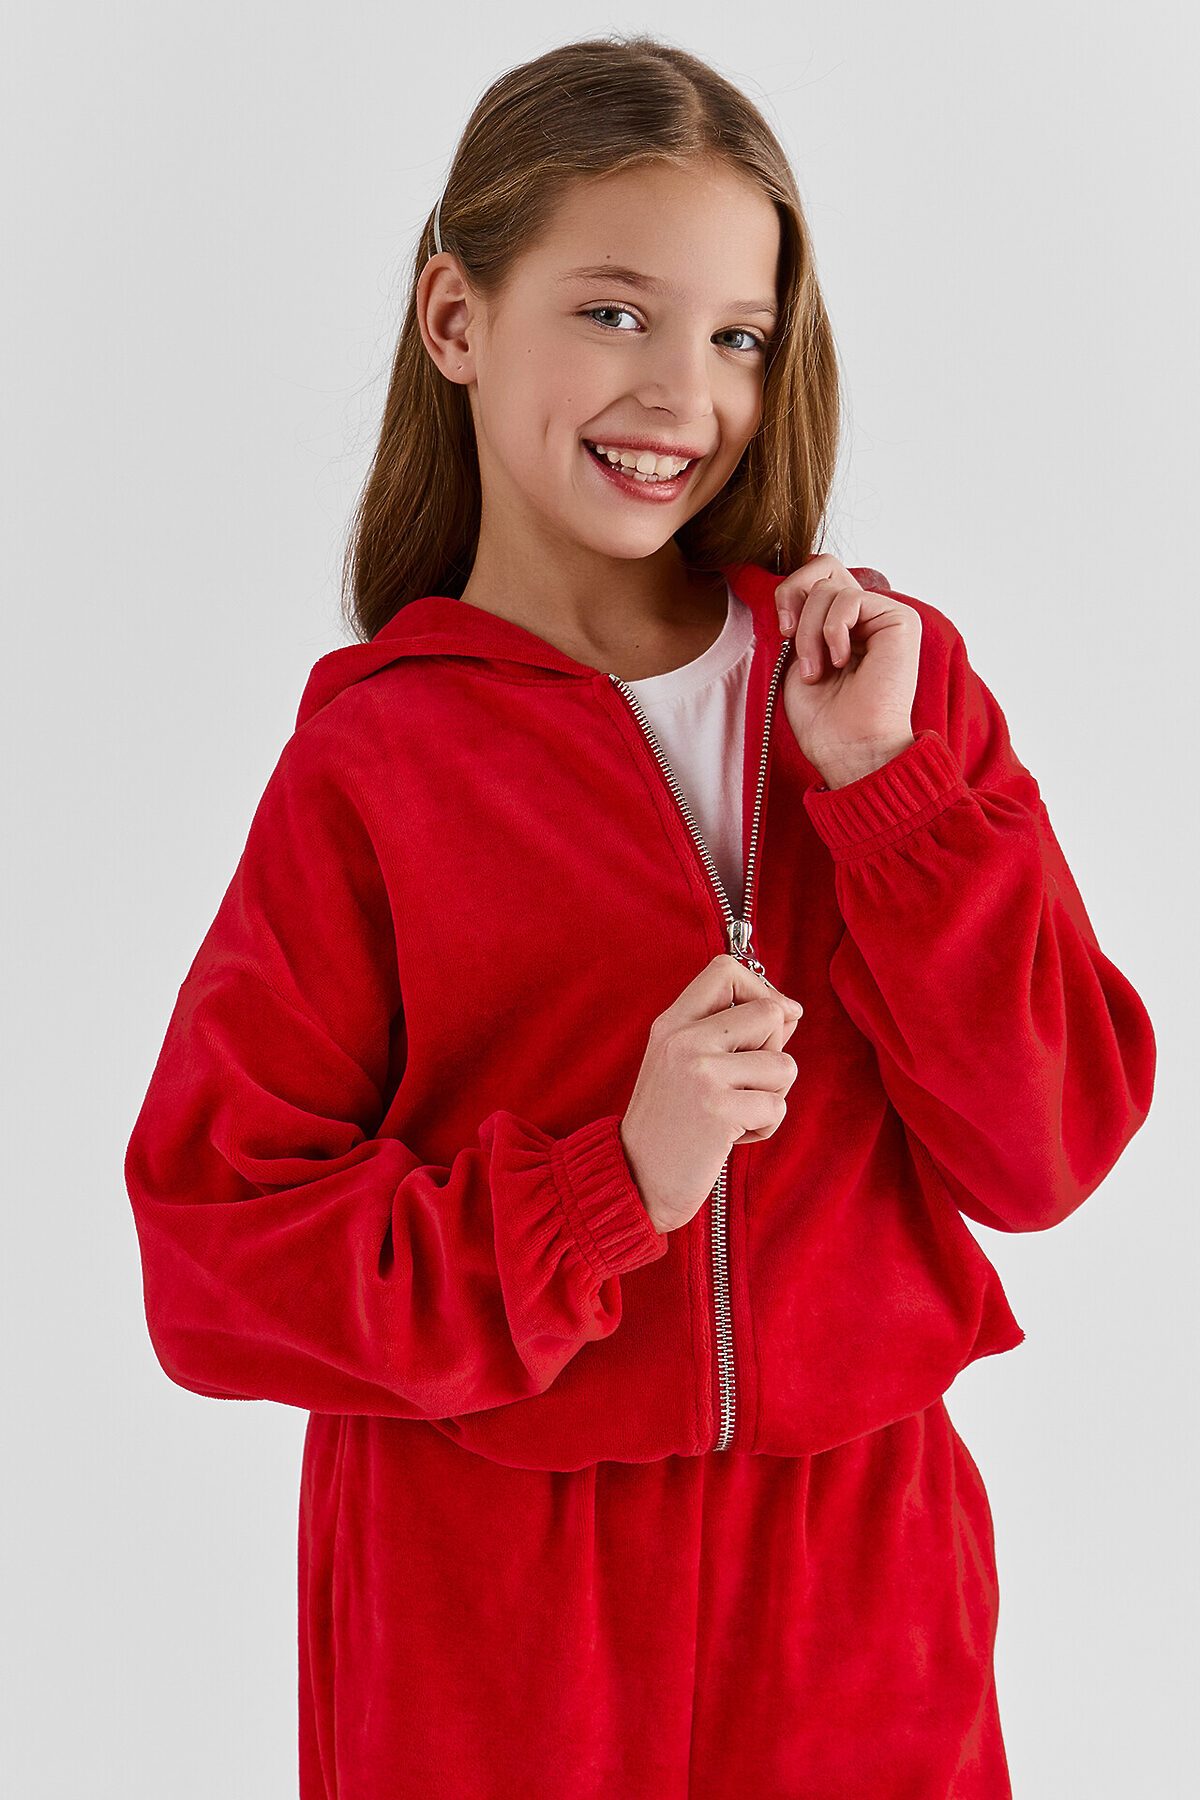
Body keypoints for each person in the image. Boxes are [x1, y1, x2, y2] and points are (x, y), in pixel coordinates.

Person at [123, 33, 1157, 1800]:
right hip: (486, 1595)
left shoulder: (883, 693)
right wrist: (611, 1186)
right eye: (615, 313)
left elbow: (1049, 1146)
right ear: (457, 318)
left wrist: (890, 798)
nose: (684, 392)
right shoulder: (377, 765)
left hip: (857, 1573)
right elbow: (216, 1258)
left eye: (740, 335)